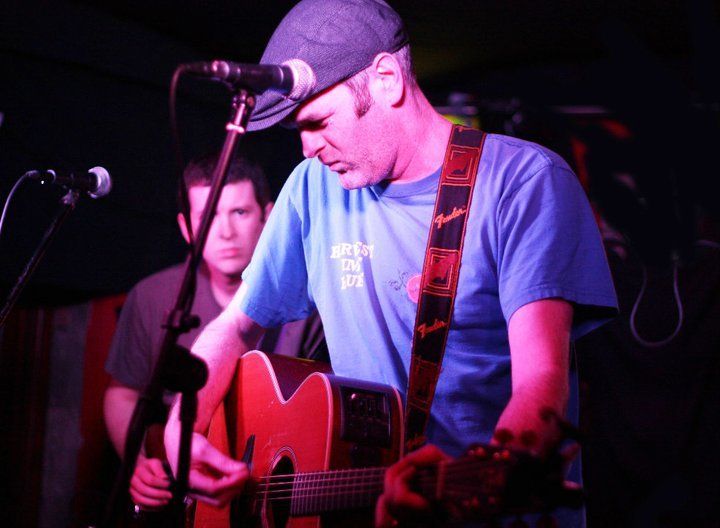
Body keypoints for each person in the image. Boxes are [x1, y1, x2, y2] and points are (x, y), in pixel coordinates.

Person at [163, 1, 617, 526]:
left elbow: (542, 383)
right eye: (296, 131)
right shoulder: (312, 189)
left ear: (386, 79)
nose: (307, 149)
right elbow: (236, 325)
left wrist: (503, 464)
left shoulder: (523, 182)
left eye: (318, 122)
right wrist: (182, 427)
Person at [103, 153, 327, 512]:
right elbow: (122, 393)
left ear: (268, 216)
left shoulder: (310, 303)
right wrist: (137, 461)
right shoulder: (151, 296)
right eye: (209, 215)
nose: (225, 232)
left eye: (240, 212)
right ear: (185, 227)